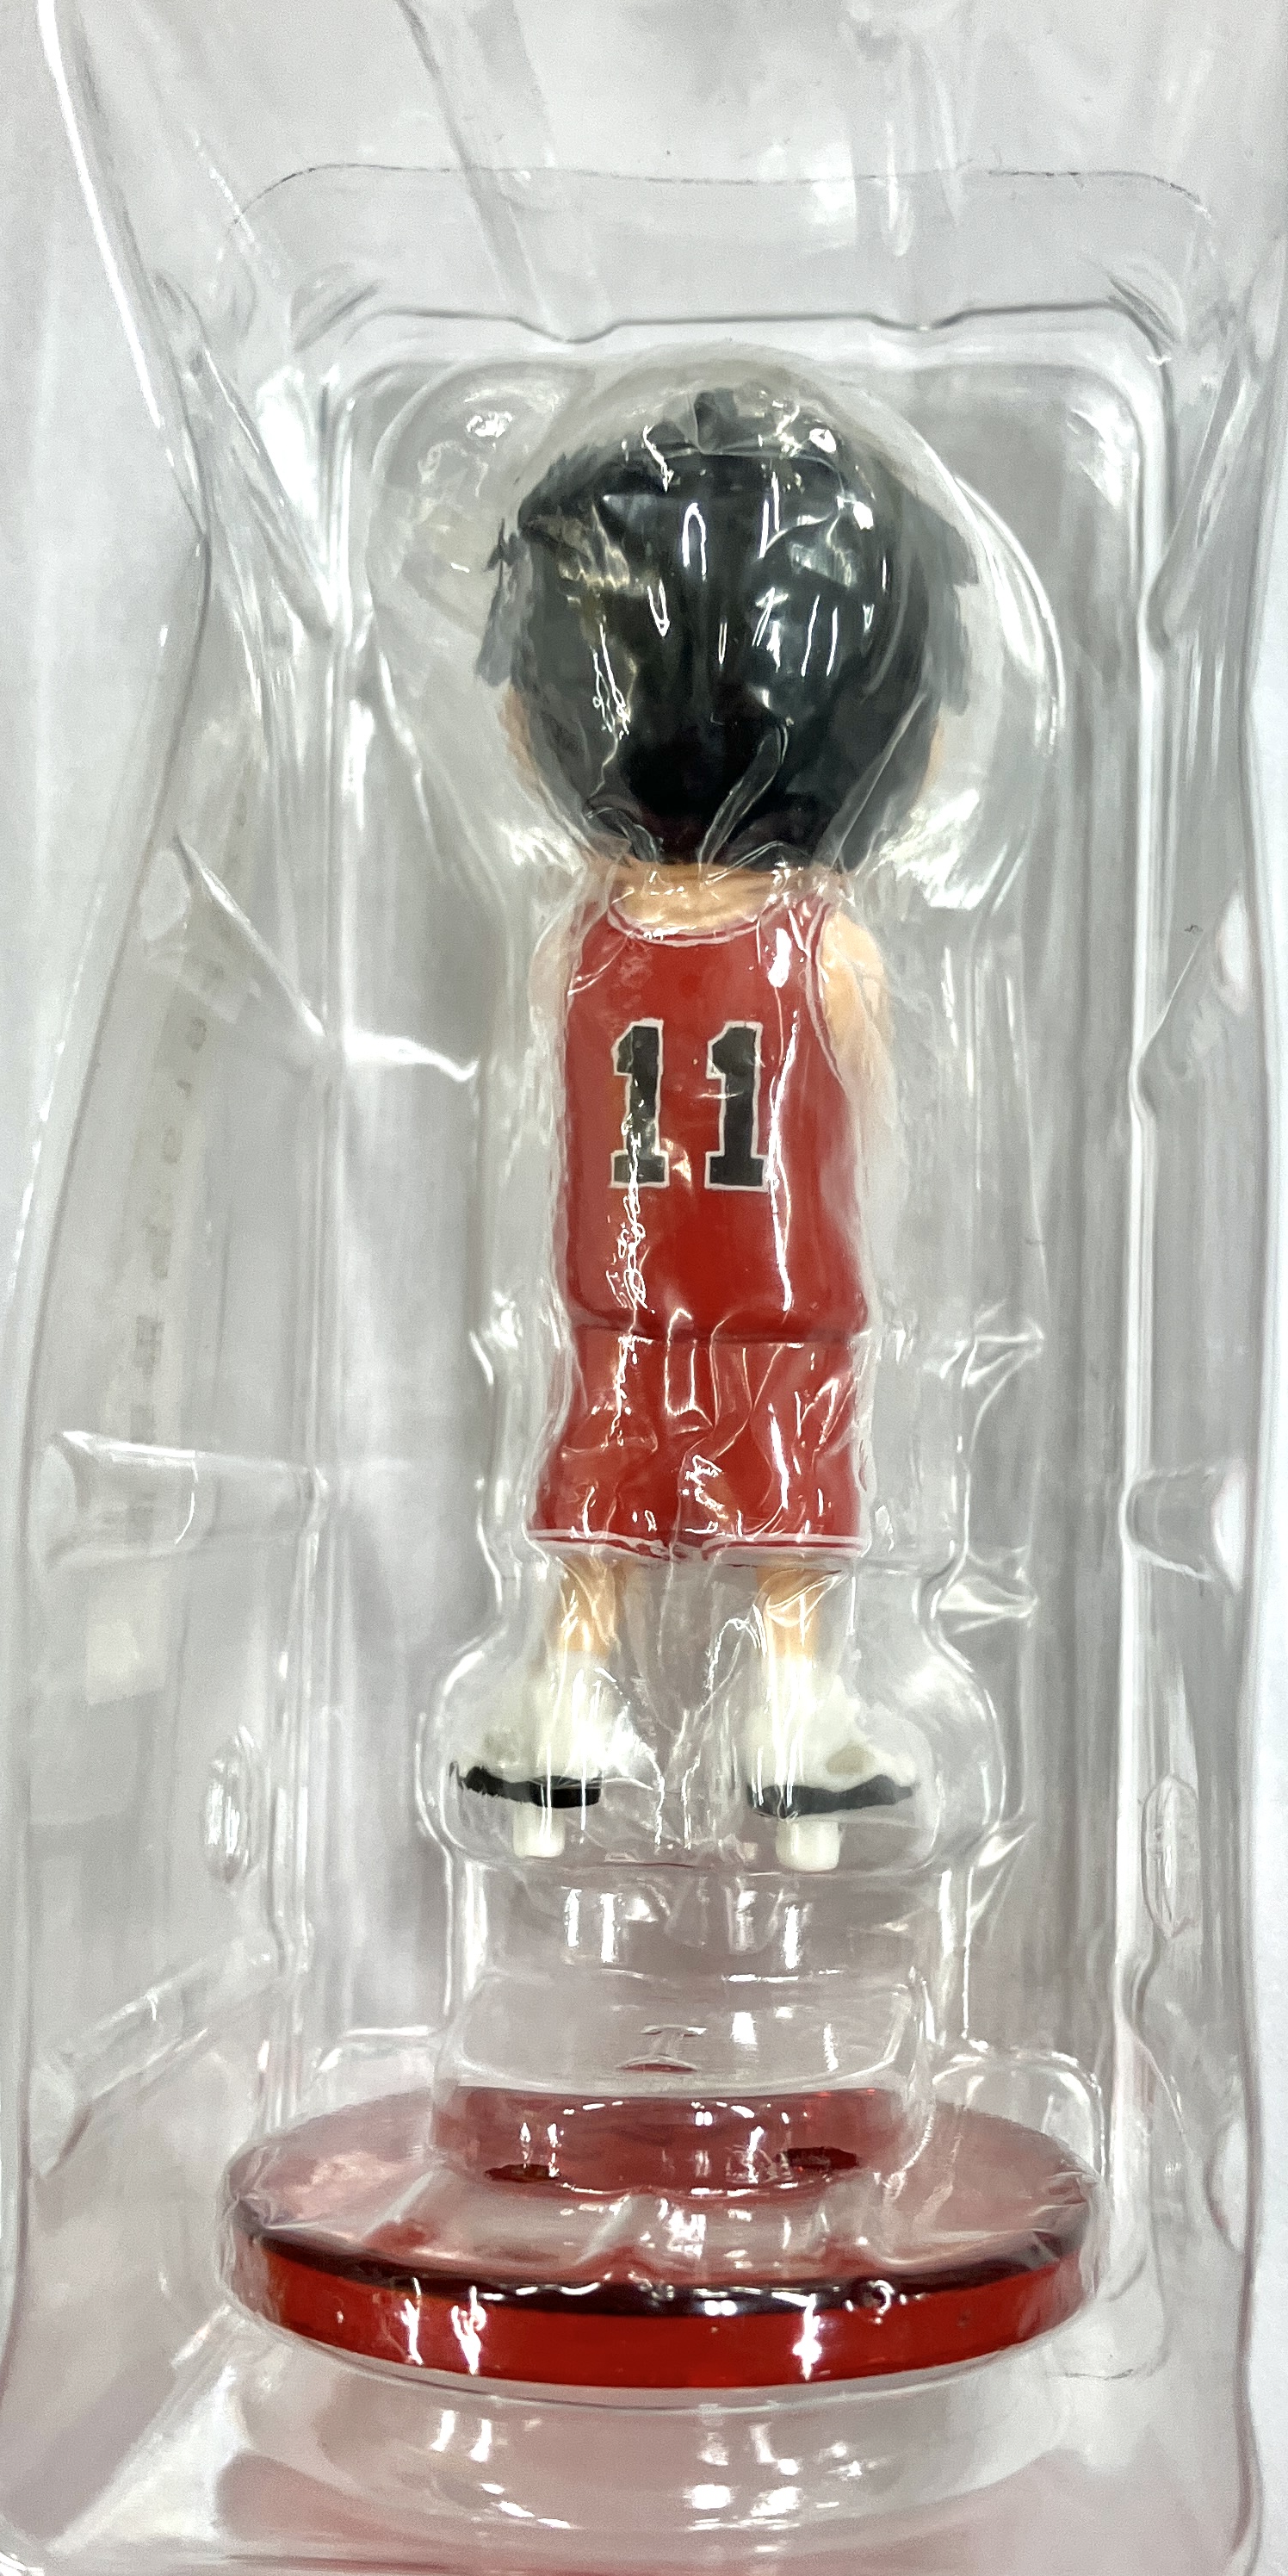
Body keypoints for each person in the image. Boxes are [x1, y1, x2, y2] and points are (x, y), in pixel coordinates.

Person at [455, 373, 968, 1869]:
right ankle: (790, 1723)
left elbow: (552, 1116)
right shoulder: (828, 950)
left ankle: (564, 1708)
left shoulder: (578, 943)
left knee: (604, 1510)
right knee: (786, 1516)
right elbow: (872, 1141)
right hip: (780, 1302)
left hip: (623, 1300)